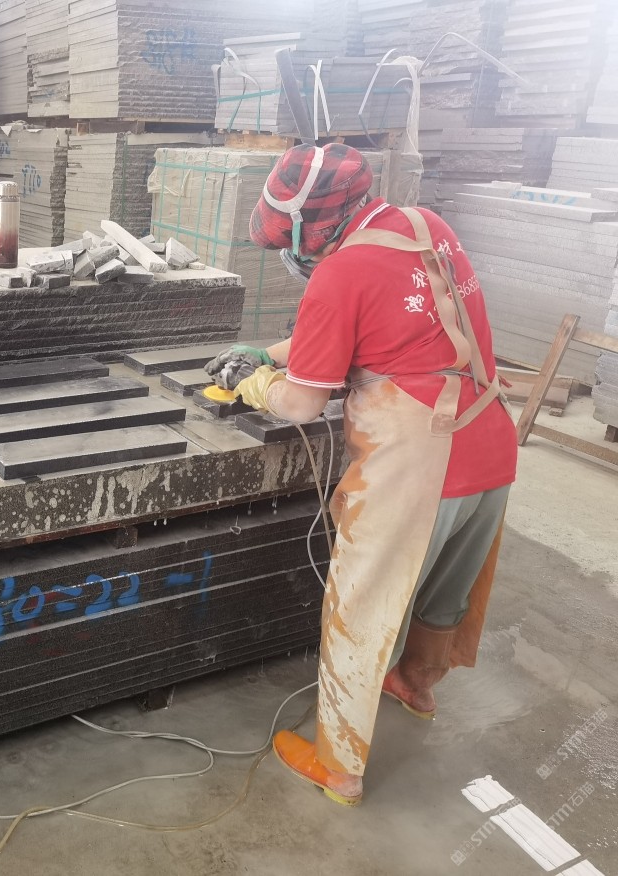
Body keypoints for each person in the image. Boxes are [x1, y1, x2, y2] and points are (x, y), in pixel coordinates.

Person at [205, 143, 517, 805]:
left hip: (417, 467)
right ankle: (416, 685)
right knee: (446, 589)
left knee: (360, 609)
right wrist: (271, 350)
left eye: (288, 240)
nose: (288, 252)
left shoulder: (339, 273)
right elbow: (377, 324)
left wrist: (259, 383)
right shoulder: (425, 226)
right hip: (490, 447)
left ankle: (339, 768)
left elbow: (302, 403)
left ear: (313, 230)